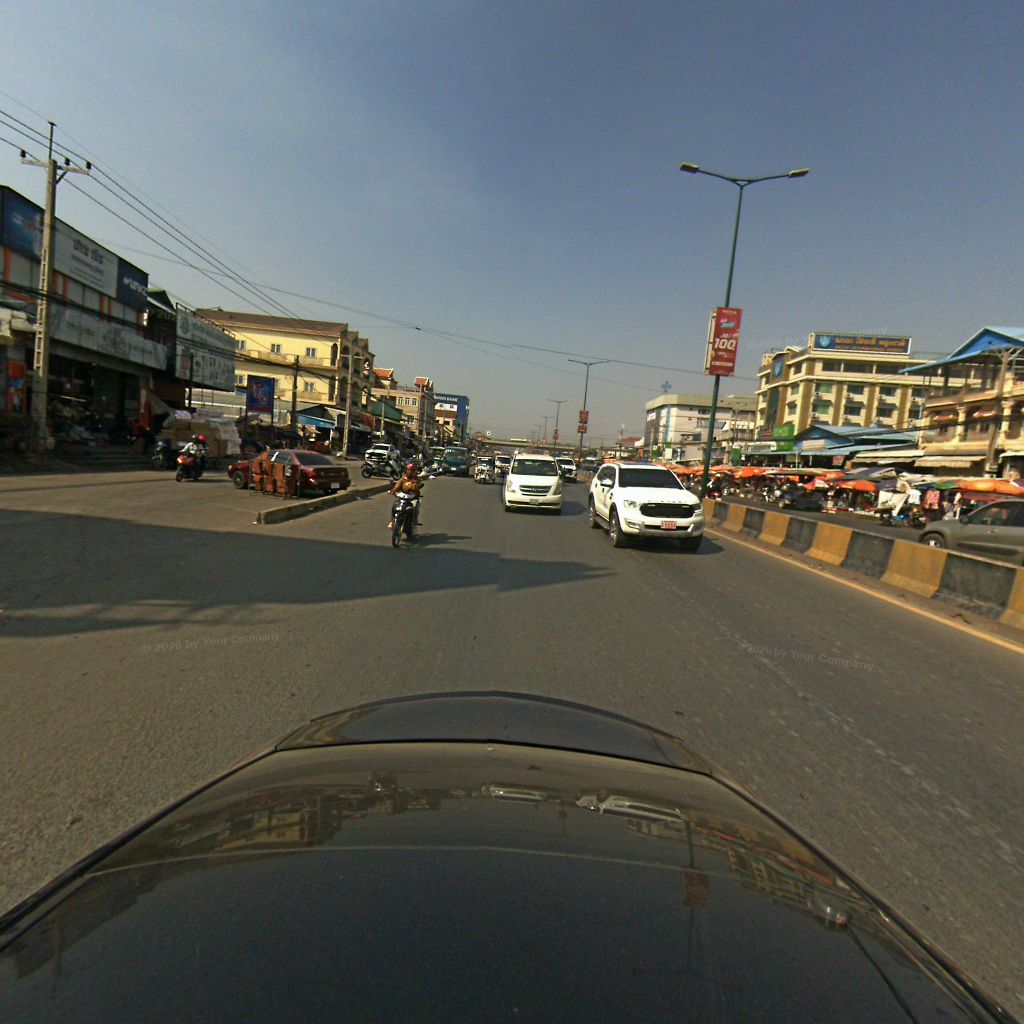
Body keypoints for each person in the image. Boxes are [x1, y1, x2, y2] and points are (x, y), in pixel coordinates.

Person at [388, 462, 425, 529]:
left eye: (412, 470)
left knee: (415, 507)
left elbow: (418, 486)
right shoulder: (403, 479)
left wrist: (416, 487)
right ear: (406, 471)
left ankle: (414, 522)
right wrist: (393, 490)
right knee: (395, 506)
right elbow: (397, 486)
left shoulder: (416, 479)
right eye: (408, 470)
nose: (410, 472)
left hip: (413, 497)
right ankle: (392, 521)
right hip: (404, 497)